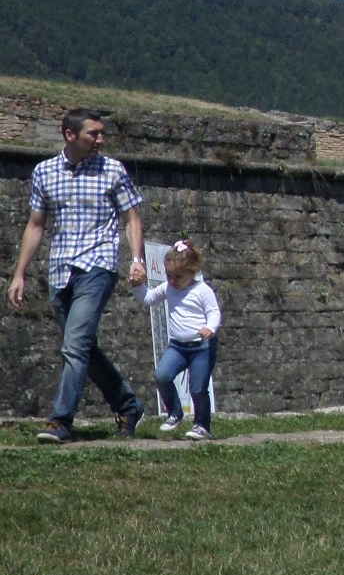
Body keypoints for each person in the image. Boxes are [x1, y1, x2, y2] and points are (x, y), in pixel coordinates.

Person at [8, 108, 149, 445]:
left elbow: (131, 218)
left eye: (102, 133)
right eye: (93, 134)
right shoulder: (44, 172)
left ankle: (60, 421)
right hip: (60, 270)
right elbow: (36, 224)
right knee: (82, 346)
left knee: (74, 345)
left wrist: (136, 259)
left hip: (98, 266)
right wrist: (19, 274)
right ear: (70, 135)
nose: (100, 139)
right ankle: (128, 405)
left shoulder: (112, 170)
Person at [140, 240, 221, 441]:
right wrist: (137, 286)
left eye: (178, 276)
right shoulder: (168, 288)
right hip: (177, 346)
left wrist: (210, 328)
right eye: (168, 276)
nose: (172, 280)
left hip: (201, 347)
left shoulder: (202, 290)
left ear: (192, 273)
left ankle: (202, 425)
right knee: (162, 376)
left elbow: (213, 312)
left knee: (198, 388)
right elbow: (148, 299)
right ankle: (175, 412)